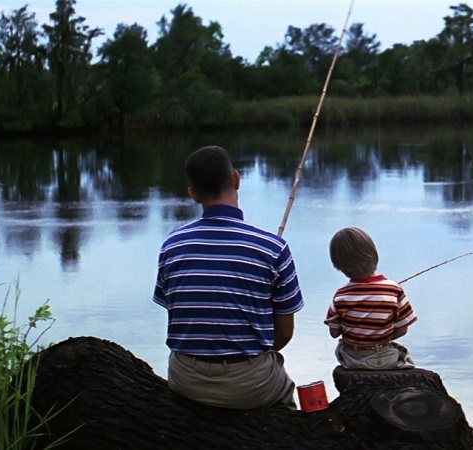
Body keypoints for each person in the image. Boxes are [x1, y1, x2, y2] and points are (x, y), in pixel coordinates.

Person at [153, 145, 304, 409]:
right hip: (250, 384)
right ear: (236, 179)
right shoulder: (272, 248)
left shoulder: (172, 246)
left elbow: (178, 312)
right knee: (285, 393)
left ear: (193, 194)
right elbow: (284, 334)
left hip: (185, 379)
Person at [324, 227, 417, 370]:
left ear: (338, 265)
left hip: (350, 359)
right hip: (384, 357)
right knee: (404, 356)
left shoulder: (340, 296)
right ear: (374, 255)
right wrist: (381, 339)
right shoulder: (394, 289)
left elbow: (334, 333)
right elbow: (402, 329)